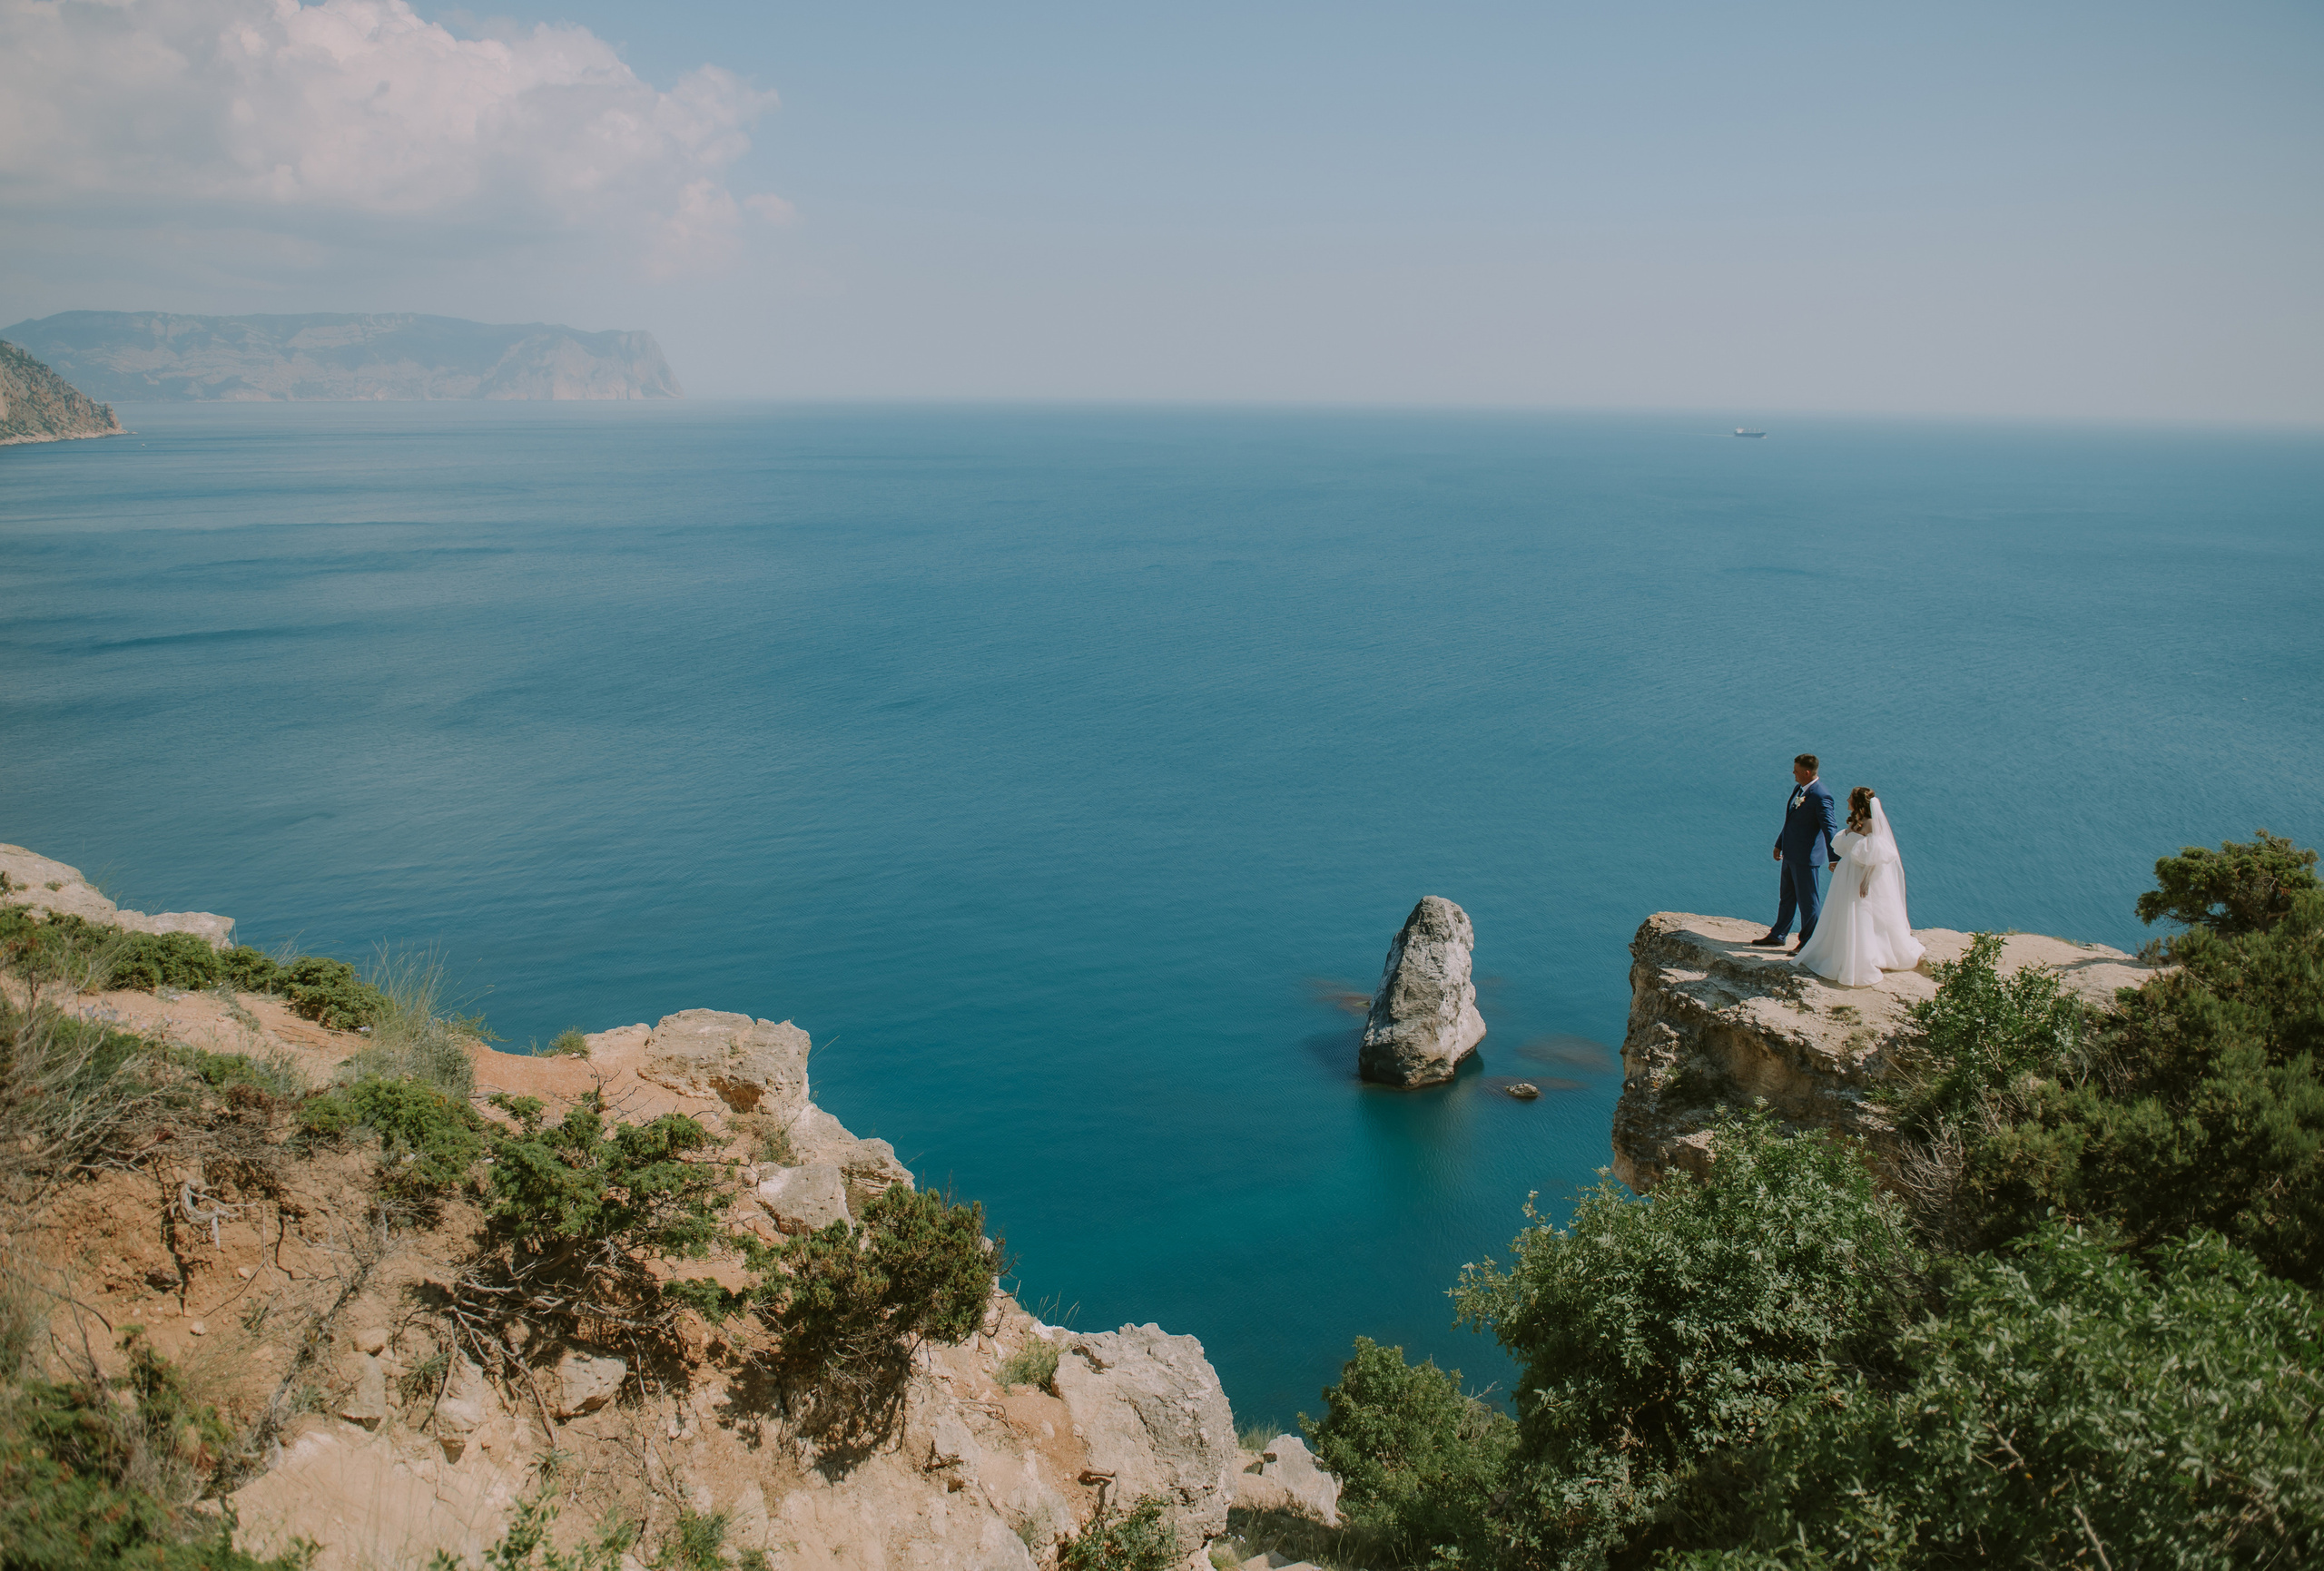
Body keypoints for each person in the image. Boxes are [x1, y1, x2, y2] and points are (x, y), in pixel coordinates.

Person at [1795, 787, 1926, 986]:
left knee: (1858, 912)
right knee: (1841, 911)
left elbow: (1877, 857)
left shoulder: (1872, 824)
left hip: (1858, 876)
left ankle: (1859, 956)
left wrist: (1866, 881)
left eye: (1850, 797)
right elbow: (1844, 847)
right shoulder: (1856, 822)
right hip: (1845, 875)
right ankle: (1838, 950)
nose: (1846, 799)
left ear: (1858, 802)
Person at [1750, 753, 1839, 951]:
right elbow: (1790, 820)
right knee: (1787, 897)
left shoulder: (1821, 796)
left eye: (1796, 771)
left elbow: (1829, 828)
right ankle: (1778, 935)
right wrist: (1779, 843)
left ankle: (1808, 943)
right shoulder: (1799, 789)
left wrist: (1834, 857)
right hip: (1790, 854)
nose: (1793, 773)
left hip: (1807, 858)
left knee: (1809, 903)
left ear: (1807, 772)